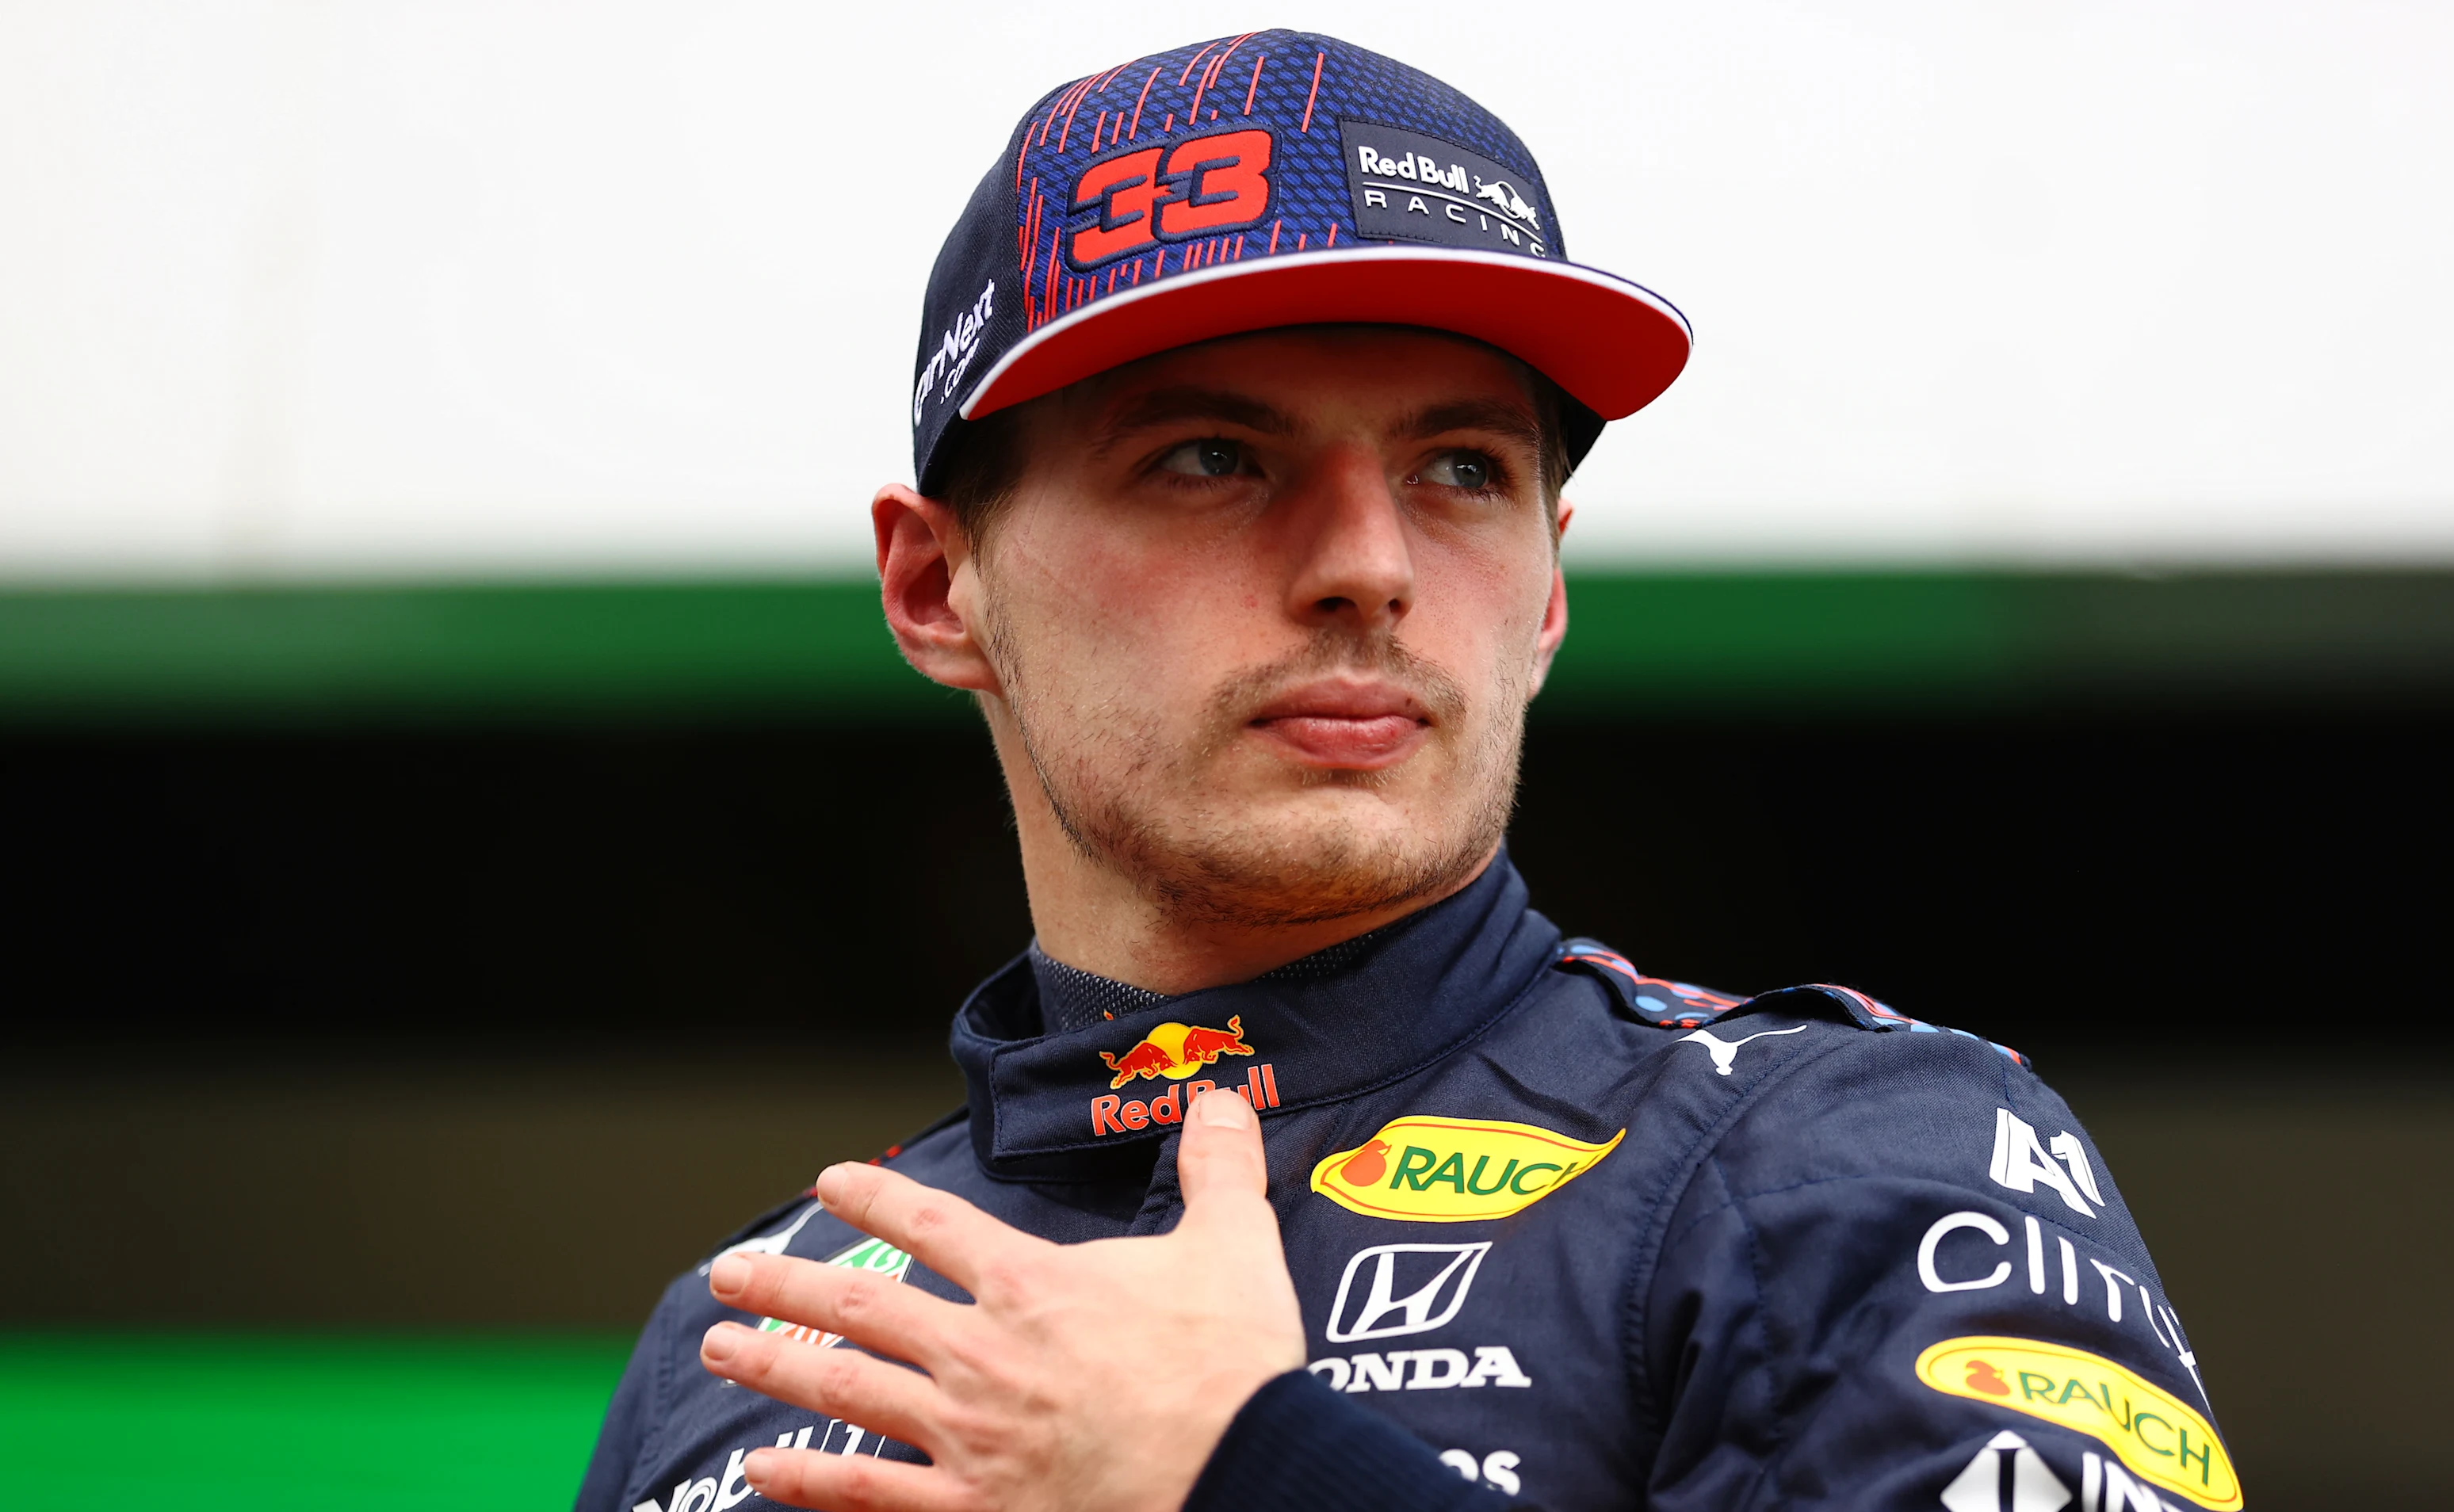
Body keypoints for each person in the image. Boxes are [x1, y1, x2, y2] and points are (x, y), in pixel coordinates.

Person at [575, 29, 2235, 1512]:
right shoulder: (752, 1339)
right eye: (1211, 457)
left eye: (1457, 468)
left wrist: (1246, 1476)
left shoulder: (1854, 1158)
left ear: (1547, 588)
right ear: (940, 587)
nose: (1367, 564)